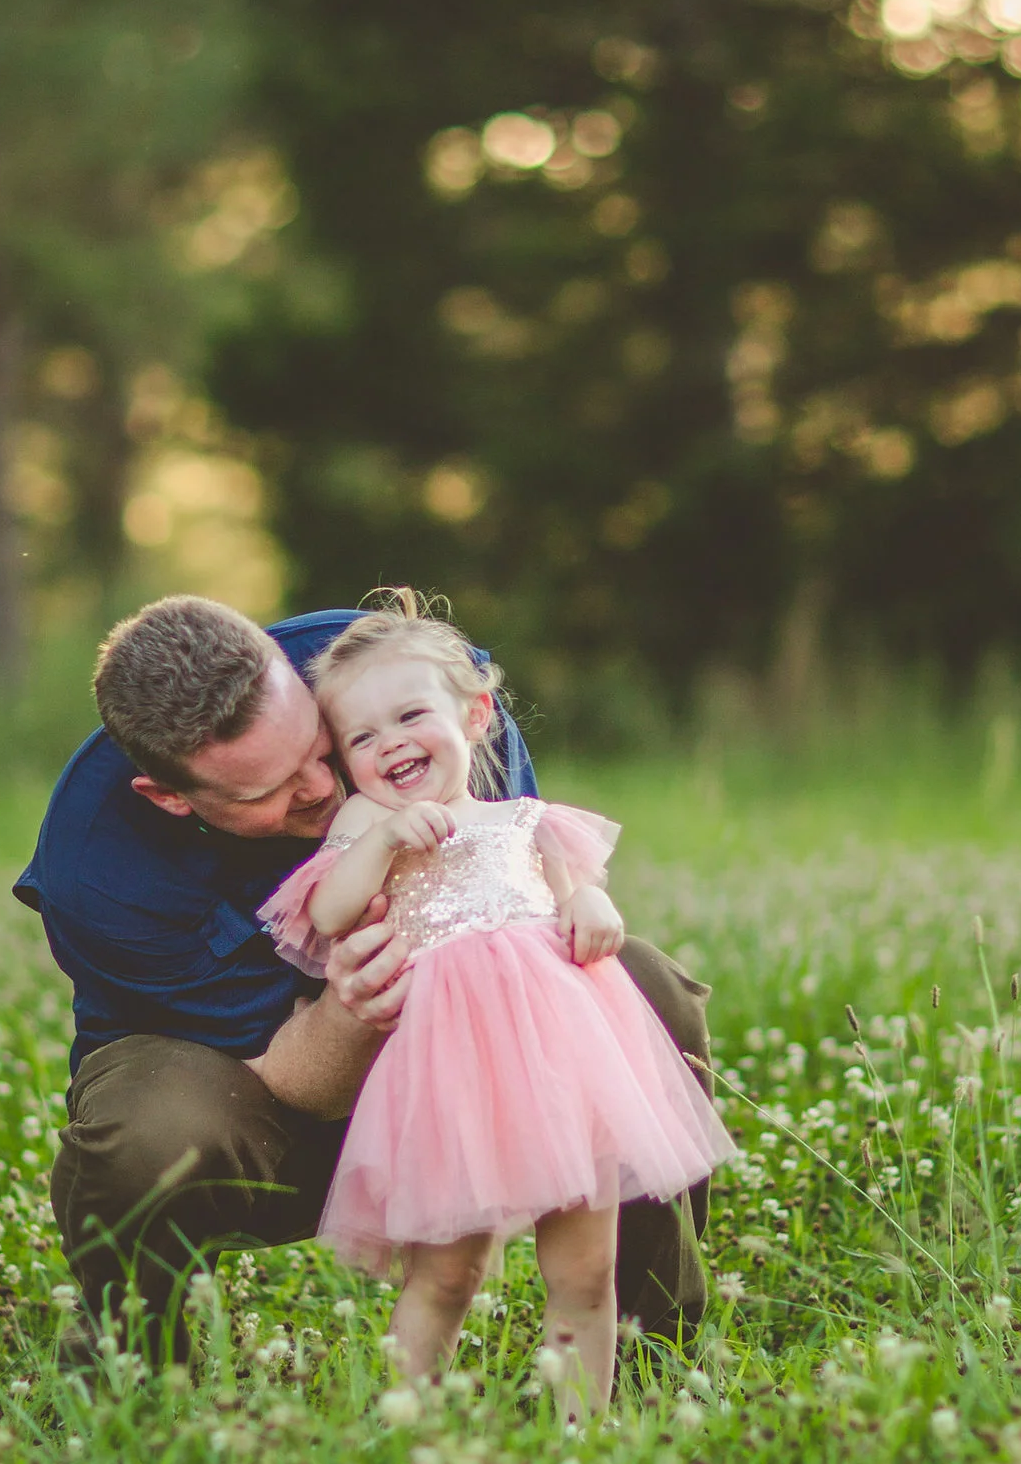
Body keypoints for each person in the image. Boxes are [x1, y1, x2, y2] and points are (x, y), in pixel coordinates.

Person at [18, 593, 714, 1355]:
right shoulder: (99, 874)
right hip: (248, 1083)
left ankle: (651, 1343)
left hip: (460, 1034)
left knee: (638, 985)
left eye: (321, 749)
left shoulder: (394, 679)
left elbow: (520, 900)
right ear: (171, 797)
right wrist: (351, 1008)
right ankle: (129, 1364)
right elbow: (288, 1080)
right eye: (269, 791)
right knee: (150, 1133)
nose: (320, 789)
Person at [259, 604, 733, 1414]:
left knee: (586, 1271)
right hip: (450, 1075)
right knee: (447, 1274)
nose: (391, 744)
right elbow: (331, 912)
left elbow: (572, 893)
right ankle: (408, 1424)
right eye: (363, 738)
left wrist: (589, 903)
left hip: (566, 1061)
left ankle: (580, 1433)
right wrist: (384, 842)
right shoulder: (367, 820)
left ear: (474, 716)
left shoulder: (527, 821)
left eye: (411, 716)